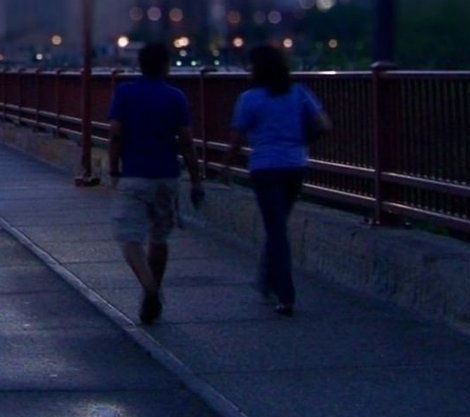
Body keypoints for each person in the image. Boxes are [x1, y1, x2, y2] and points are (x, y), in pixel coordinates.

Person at [224, 44, 330, 317]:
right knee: (278, 224)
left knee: (276, 229)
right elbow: (323, 124)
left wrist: (224, 166)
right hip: (295, 165)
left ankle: (285, 294)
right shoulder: (298, 93)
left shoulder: (249, 99)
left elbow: (236, 139)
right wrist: (301, 141)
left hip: (265, 167)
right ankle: (267, 279)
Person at [107, 41, 204, 325]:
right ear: (165, 65)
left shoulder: (125, 93)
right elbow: (186, 143)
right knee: (159, 237)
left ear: (139, 65)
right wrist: (196, 181)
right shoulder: (175, 97)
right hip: (167, 176)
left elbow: (115, 135)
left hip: (135, 175)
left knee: (128, 236)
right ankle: (154, 292)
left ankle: (149, 288)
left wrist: (113, 169)